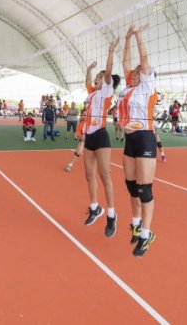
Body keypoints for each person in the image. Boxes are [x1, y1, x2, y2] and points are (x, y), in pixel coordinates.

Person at [117, 24, 159, 256]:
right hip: (130, 140)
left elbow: (143, 59)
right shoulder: (127, 89)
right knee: (132, 188)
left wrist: (139, 36)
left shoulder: (147, 86)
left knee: (144, 190)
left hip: (144, 139)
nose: (133, 74)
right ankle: (135, 225)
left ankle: (146, 233)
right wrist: (126, 40)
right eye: (131, 74)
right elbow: (126, 63)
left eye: (136, 73)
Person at [81, 37, 120, 238]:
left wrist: (111, 52)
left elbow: (107, 72)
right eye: (98, 77)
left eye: (101, 77)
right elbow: (88, 81)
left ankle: (112, 214)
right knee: (89, 174)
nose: (98, 79)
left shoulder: (105, 92)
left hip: (101, 135)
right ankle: (95, 207)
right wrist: (88, 69)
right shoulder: (92, 92)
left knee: (105, 175)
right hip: (89, 137)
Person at [66, 106, 87, 172]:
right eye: (84, 114)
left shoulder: (92, 122)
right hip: (84, 140)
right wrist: (82, 137)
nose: (85, 115)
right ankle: (70, 165)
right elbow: (78, 134)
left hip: (93, 140)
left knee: (98, 153)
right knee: (78, 152)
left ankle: (104, 167)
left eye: (86, 114)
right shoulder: (81, 124)